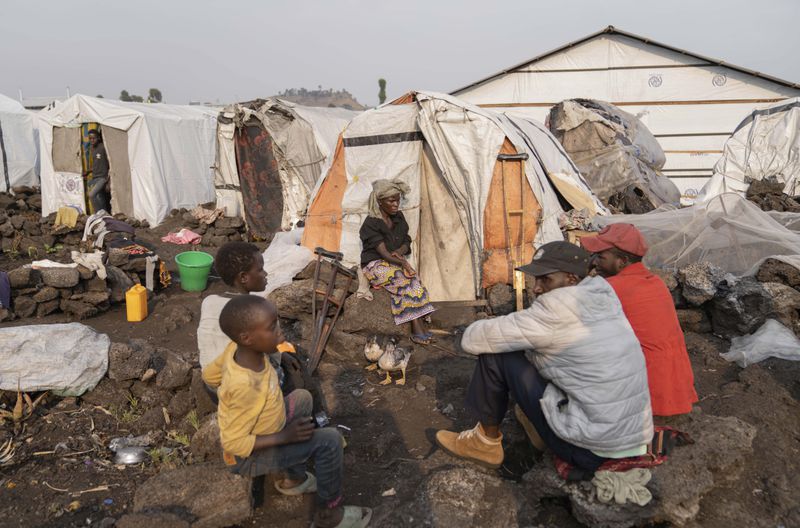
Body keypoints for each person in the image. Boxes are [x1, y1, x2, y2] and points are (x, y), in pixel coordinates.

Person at [435, 241, 653, 472]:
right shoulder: (603, 297)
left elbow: (472, 339)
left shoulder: (555, 310)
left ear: (570, 279)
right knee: (535, 352)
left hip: (589, 450)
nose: (536, 288)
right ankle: (536, 427)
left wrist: (499, 326)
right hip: (633, 439)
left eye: (545, 279)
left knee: (497, 354)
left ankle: (484, 444)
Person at [203, 296, 371, 528]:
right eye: (273, 328)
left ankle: (292, 478)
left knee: (302, 398)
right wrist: (284, 437)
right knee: (330, 440)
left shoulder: (236, 349)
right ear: (247, 338)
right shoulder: (245, 386)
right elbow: (233, 443)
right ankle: (328, 514)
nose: (281, 333)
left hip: (269, 427)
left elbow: (209, 377)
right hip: (248, 457)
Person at [581, 223, 698, 417]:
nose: (594, 262)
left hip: (646, 391)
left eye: (601, 257)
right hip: (675, 385)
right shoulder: (654, 282)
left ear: (622, 261)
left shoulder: (611, 288)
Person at [197, 242, 306, 398]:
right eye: (260, 269)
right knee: (297, 375)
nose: (265, 274)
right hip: (242, 393)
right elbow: (270, 348)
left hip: (211, 387)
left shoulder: (209, 301)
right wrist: (284, 356)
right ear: (243, 277)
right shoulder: (257, 310)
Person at [359, 178, 435, 345]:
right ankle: (416, 329)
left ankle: (421, 326)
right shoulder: (371, 223)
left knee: (415, 280)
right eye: (391, 200)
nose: (396, 204)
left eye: (398, 200)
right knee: (403, 281)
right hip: (375, 265)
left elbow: (406, 241)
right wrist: (404, 263)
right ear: (379, 201)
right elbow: (384, 254)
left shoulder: (399, 218)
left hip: (393, 261)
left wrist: (399, 252)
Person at [85, 130, 110, 213]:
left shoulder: (103, 147)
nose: (92, 140)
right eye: (90, 138)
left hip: (102, 177)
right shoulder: (93, 149)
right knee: (100, 196)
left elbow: (110, 162)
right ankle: (104, 213)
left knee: (92, 195)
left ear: (98, 138)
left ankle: (97, 213)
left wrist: (109, 179)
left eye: (94, 138)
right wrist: (89, 171)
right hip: (95, 177)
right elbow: (98, 164)